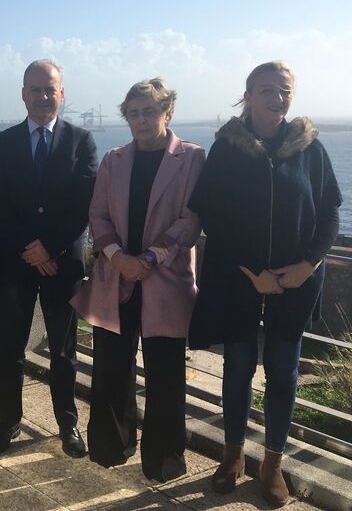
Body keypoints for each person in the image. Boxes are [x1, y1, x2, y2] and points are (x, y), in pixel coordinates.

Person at [188, 61, 341, 506]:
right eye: (267, 90)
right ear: (248, 95)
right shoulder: (227, 149)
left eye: (284, 90)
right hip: (239, 278)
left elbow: (330, 212)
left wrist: (307, 265)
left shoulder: (311, 149)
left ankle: (272, 464)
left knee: (283, 371)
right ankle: (232, 456)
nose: (277, 98)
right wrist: (256, 271)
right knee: (237, 367)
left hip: (297, 280)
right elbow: (213, 215)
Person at [70, 78, 204, 481]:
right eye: (133, 113)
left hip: (165, 279)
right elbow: (98, 215)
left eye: (149, 111)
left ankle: (164, 459)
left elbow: (191, 218)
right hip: (116, 277)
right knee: (111, 367)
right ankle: (111, 446)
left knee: (165, 374)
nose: (141, 120)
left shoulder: (191, 157)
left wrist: (148, 257)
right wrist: (119, 258)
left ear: (167, 112)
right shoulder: (114, 159)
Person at [0, 59, 97, 457]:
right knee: (9, 349)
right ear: (23, 94)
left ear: (61, 93)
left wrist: (50, 247)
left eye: (50, 89)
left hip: (62, 264)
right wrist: (31, 248)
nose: (43, 96)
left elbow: (84, 204)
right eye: (35, 89)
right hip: (16, 263)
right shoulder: (2, 142)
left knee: (64, 351)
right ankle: (8, 421)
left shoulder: (81, 141)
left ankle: (68, 424)